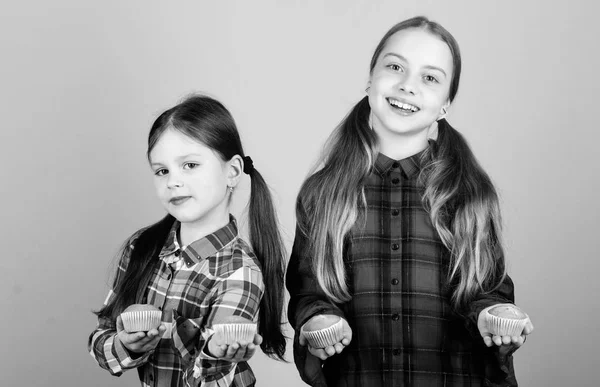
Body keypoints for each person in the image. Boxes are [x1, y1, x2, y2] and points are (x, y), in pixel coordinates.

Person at [286, 16, 534, 387]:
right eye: (395, 67)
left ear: (445, 104)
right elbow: (309, 291)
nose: (407, 85)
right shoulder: (323, 193)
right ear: (370, 79)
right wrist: (319, 320)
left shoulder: (470, 191)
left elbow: (488, 289)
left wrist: (495, 314)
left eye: (430, 77)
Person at [89, 95, 286, 387]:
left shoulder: (239, 272)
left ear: (232, 172)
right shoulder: (142, 248)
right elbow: (100, 340)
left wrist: (218, 353)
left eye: (190, 165)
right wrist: (127, 344)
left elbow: (211, 379)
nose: (173, 181)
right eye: (162, 170)